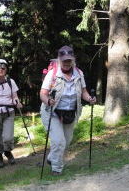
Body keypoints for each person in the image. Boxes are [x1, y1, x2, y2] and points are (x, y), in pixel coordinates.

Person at [40, 45, 96, 176]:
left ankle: (51, 158)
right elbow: (42, 93)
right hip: (52, 112)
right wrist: (48, 101)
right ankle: (56, 168)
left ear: (73, 60)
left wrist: (90, 99)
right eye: (64, 60)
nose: (66, 63)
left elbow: (83, 92)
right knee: (59, 142)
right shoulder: (52, 74)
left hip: (70, 113)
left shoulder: (79, 73)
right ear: (59, 60)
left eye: (69, 60)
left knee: (66, 141)